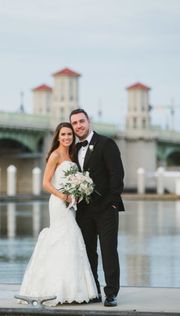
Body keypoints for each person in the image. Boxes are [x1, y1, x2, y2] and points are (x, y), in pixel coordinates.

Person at [17, 122, 98, 306]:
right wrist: (64, 196)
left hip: (71, 204)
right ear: (58, 136)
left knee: (71, 238)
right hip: (58, 203)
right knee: (65, 236)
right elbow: (45, 183)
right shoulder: (55, 155)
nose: (67, 137)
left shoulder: (72, 154)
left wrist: (77, 193)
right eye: (63, 134)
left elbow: (73, 180)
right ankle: (56, 290)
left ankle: (72, 289)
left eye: (70, 134)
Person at [69, 108, 125, 307]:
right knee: (88, 252)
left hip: (106, 209)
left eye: (81, 121)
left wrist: (111, 202)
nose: (78, 126)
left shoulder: (106, 143)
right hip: (84, 210)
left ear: (89, 121)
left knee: (109, 251)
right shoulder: (74, 149)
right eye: (74, 123)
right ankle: (94, 290)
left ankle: (111, 293)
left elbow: (117, 176)